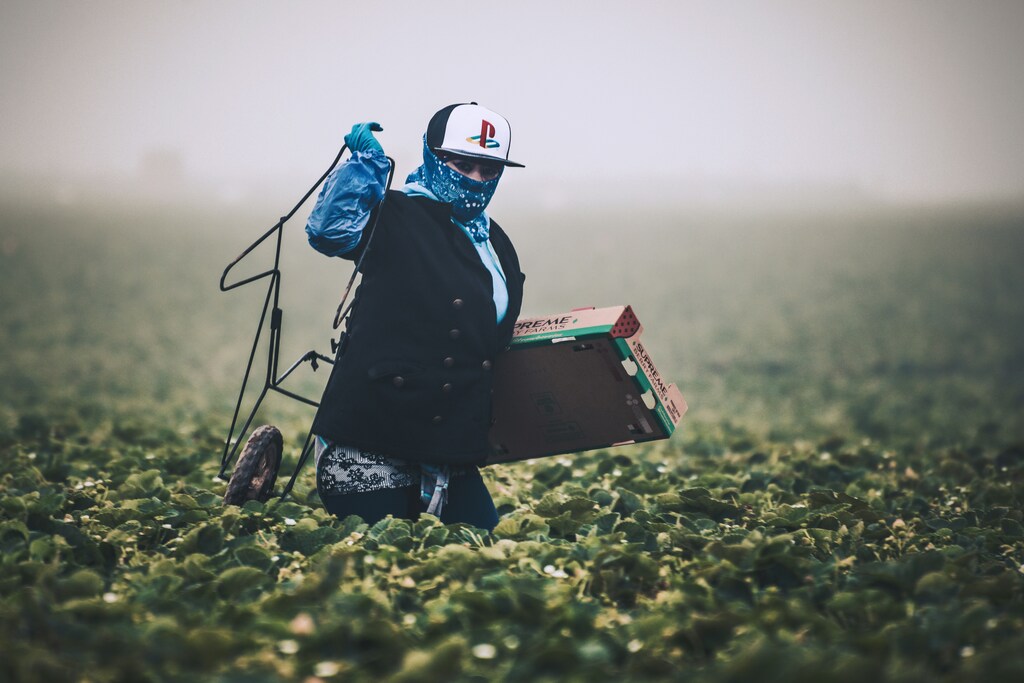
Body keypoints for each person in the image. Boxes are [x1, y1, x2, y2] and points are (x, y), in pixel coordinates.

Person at [304, 103, 525, 531]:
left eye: (489, 170)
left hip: (447, 451)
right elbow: (330, 231)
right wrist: (366, 166)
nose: (476, 180)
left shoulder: (495, 241)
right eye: (463, 165)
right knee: (387, 573)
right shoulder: (397, 215)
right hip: (371, 441)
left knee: (487, 552)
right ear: (431, 156)